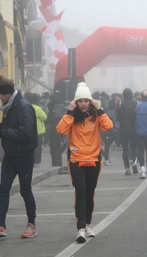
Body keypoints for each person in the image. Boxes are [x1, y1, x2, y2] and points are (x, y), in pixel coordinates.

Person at [0, 75, 38, 238]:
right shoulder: (9, 105)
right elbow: (13, 126)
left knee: (25, 190)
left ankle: (31, 225)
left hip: (24, 156)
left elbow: (25, 132)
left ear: (6, 93)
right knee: (3, 188)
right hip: (10, 155)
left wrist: (3, 132)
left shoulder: (23, 107)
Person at [56, 81, 113, 243]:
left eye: (86, 101)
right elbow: (60, 130)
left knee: (90, 193)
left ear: (90, 101)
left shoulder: (96, 116)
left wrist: (100, 109)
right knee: (80, 192)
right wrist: (69, 111)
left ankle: (88, 223)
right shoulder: (72, 117)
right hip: (76, 159)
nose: (83, 104)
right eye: (80, 101)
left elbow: (108, 126)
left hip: (94, 159)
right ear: (76, 102)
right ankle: (80, 227)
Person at [116, 88, 139, 175]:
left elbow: (117, 117)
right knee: (134, 147)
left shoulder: (121, 103)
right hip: (134, 128)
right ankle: (135, 165)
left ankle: (127, 169)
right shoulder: (136, 103)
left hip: (124, 129)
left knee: (125, 149)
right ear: (132, 94)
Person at [27, 93, 47, 167]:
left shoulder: (26, 107)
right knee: (38, 148)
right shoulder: (38, 108)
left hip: (28, 131)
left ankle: (29, 161)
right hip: (38, 131)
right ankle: (36, 162)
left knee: (30, 147)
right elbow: (44, 117)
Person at [45, 94, 63, 167]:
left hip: (53, 129)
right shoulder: (59, 107)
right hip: (59, 129)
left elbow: (51, 119)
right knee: (58, 146)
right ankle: (59, 162)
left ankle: (55, 162)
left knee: (54, 146)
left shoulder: (52, 107)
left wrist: (46, 122)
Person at [101, 99, 121, 165]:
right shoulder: (118, 111)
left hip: (112, 131)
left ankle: (106, 159)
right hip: (119, 130)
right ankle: (132, 159)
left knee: (107, 145)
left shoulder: (108, 113)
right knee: (125, 145)